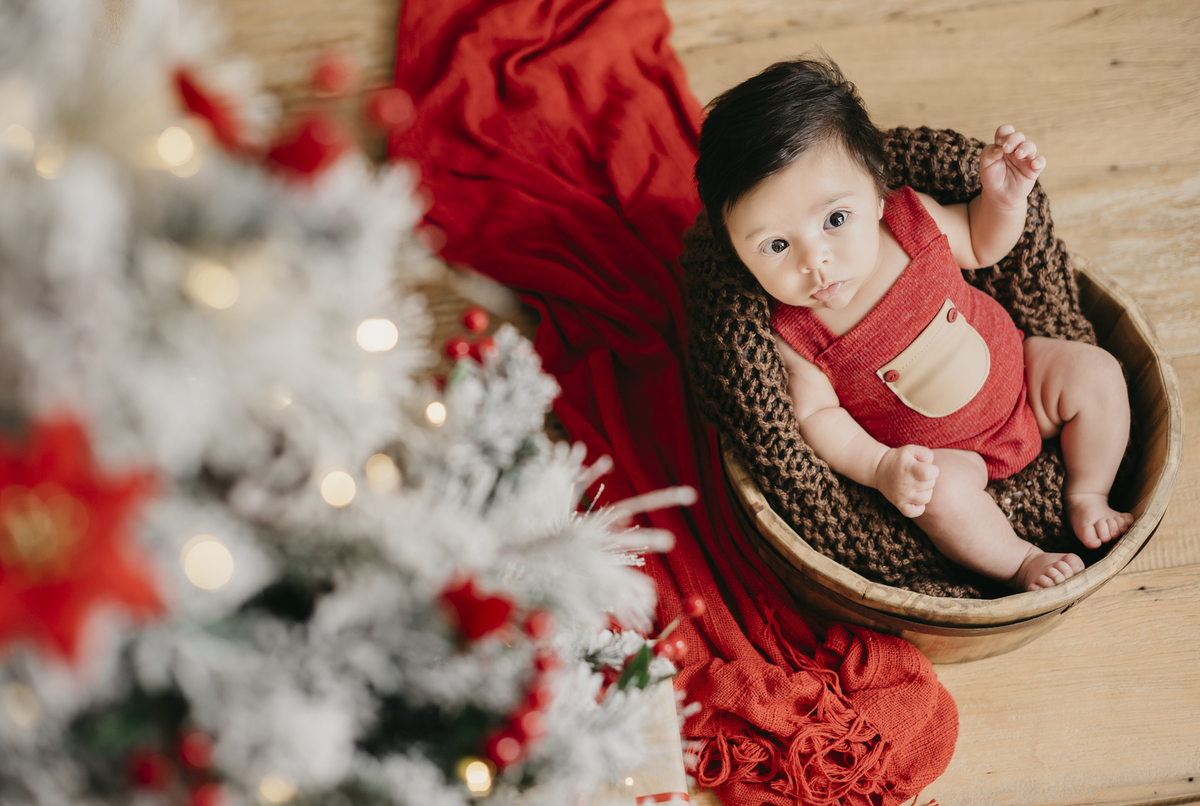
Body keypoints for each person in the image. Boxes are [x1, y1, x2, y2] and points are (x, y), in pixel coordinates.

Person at [694, 57, 1132, 592]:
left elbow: (980, 242)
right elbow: (817, 419)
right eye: (776, 245)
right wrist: (882, 467)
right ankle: (1021, 562)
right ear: (739, 255)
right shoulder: (793, 332)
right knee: (940, 499)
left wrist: (1002, 201)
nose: (816, 261)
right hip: (950, 458)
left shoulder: (910, 222)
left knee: (1096, 372)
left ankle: (1089, 493)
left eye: (835, 220)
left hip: (1026, 380)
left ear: (877, 194)